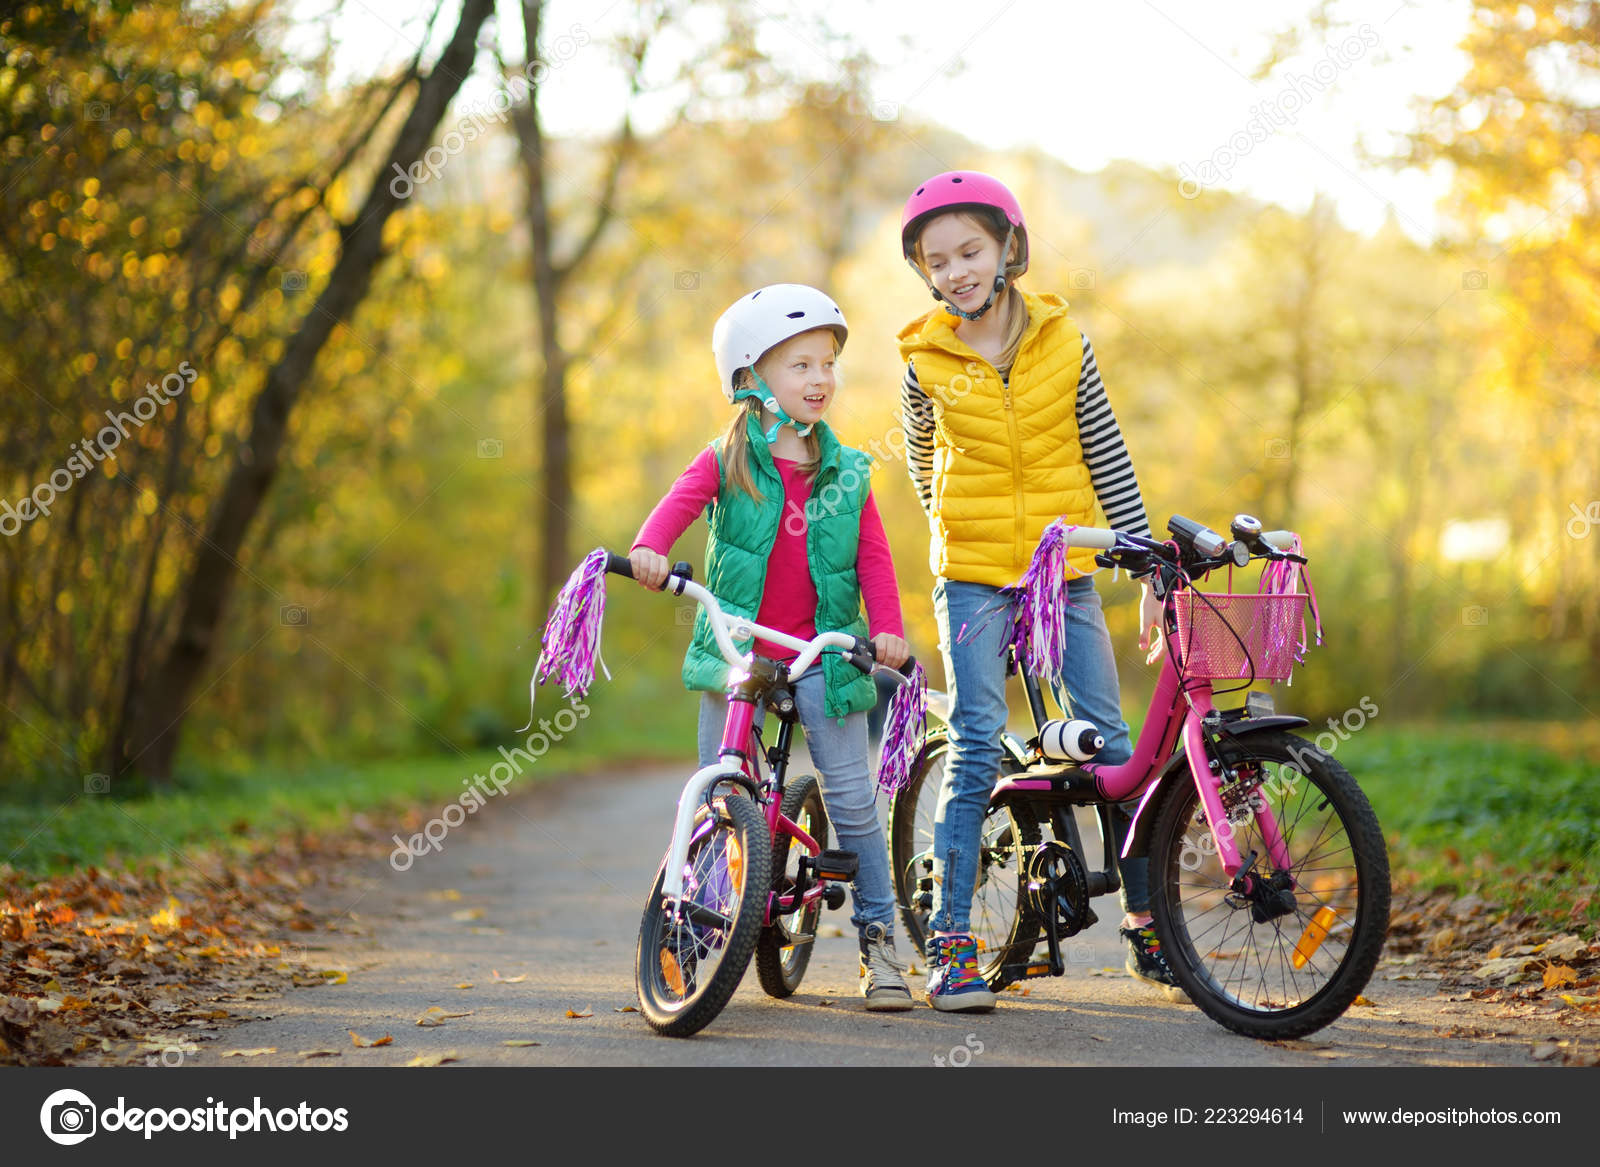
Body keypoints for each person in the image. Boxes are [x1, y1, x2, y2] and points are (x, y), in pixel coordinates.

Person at [895, 170, 1178, 1011]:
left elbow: (1107, 451)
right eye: (938, 260)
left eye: (970, 251)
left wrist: (1146, 565)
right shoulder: (923, 360)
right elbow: (921, 465)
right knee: (977, 739)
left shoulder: (1065, 340)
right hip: (974, 577)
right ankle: (952, 942)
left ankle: (1147, 924)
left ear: (1008, 248)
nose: (956, 271)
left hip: (1064, 572)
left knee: (1114, 748)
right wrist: (965, 539)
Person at [629, 283, 915, 1012]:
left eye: (828, 365)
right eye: (801, 365)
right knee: (720, 789)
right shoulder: (726, 460)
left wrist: (887, 628)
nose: (821, 379)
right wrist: (650, 550)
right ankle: (696, 926)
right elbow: (676, 506)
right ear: (751, 378)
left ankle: (879, 941)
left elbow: (875, 559)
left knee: (852, 795)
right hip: (742, 648)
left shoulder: (849, 472)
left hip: (823, 651)